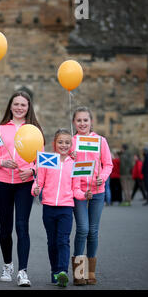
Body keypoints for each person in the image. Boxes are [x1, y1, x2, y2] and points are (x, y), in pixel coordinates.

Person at [0, 90, 44, 287]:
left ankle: (22, 271)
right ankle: (7, 265)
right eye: (16, 104)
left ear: (28, 108)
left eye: (23, 105)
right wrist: (3, 162)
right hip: (3, 184)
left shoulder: (35, 130)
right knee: (5, 229)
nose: (19, 108)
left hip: (24, 184)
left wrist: (32, 170)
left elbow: (42, 160)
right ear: (10, 106)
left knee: (22, 226)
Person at [32, 129, 89, 287]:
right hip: (49, 208)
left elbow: (76, 189)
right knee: (52, 242)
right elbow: (39, 182)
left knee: (63, 241)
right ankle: (55, 272)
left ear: (71, 145)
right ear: (54, 144)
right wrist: (35, 189)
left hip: (66, 208)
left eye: (67, 142)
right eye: (60, 142)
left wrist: (85, 194)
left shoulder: (74, 164)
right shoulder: (47, 160)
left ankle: (63, 271)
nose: (64, 145)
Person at [70, 107, 113, 285]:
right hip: (78, 191)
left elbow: (108, 164)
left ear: (91, 122)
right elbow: (62, 164)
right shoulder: (70, 141)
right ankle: (79, 271)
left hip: (97, 191)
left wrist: (101, 179)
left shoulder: (101, 141)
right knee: (83, 229)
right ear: (74, 122)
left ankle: (91, 271)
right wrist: (69, 156)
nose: (82, 123)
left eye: (85, 120)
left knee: (93, 231)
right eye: (79, 120)